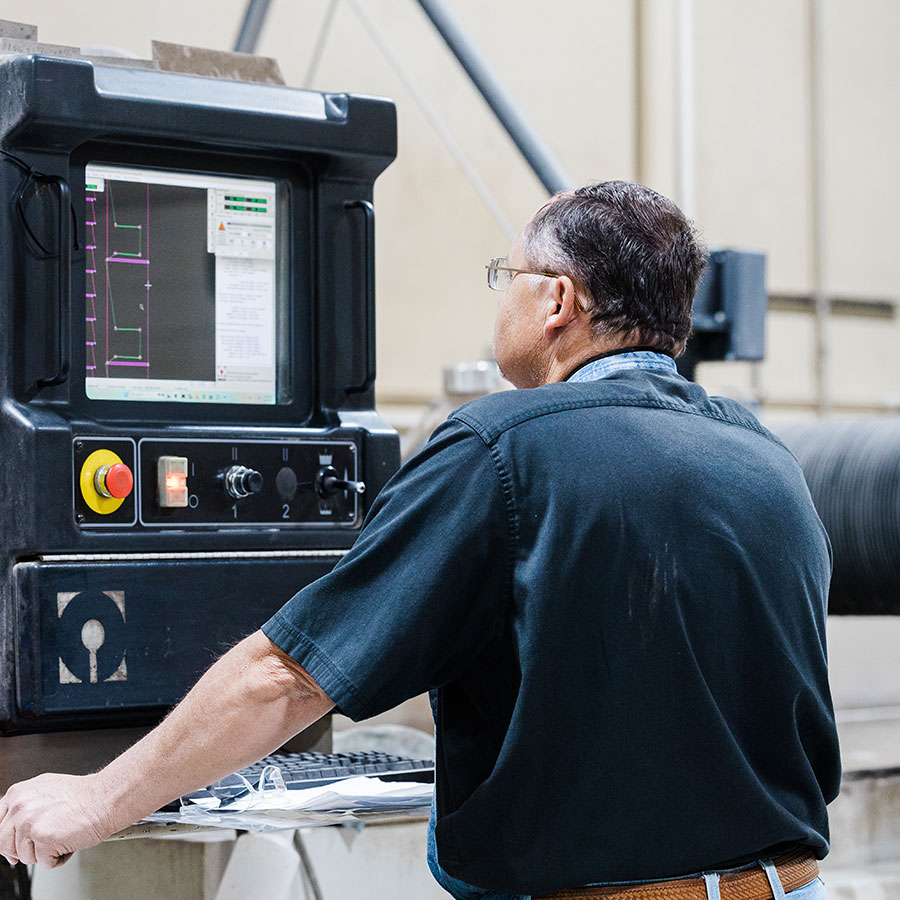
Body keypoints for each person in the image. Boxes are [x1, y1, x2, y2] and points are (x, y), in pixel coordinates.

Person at [0, 181, 840, 900]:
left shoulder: (504, 447)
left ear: (556, 301)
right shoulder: (765, 457)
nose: (499, 295)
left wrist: (98, 799)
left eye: (505, 275)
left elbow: (286, 679)